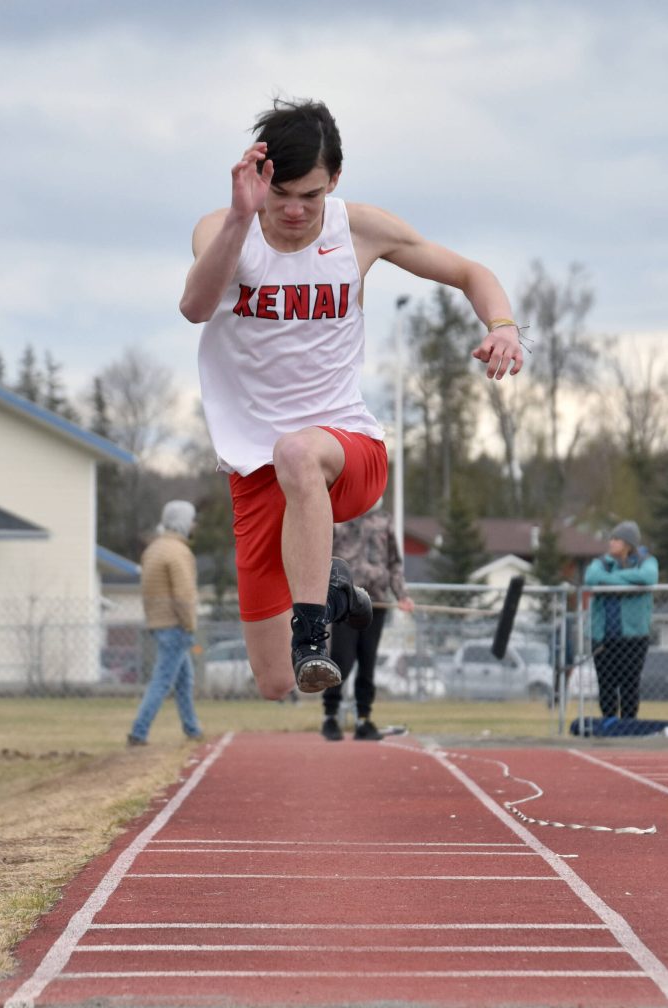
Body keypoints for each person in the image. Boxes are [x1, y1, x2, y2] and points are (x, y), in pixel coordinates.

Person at [180, 97, 523, 700]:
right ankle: (332, 589)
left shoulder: (359, 230)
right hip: (256, 470)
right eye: (280, 193)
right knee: (274, 683)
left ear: (334, 181)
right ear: (259, 179)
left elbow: (471, 273)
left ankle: (314, 630)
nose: (293, 209)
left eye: (309, 196)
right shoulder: (222, 229)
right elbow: (196, 308)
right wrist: (240, 218)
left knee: (298, 452)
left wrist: (503, 326)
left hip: (347, 448)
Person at [321, 500, 415, 741]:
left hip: (377, 603)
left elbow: (394, 562)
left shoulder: (384, 522)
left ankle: (364, 719)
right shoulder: (338, 518)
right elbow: (322, 556)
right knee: (341, 660)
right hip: (347, 602)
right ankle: (330, 717)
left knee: (368, 662)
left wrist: (401, 595)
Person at [127, 501, 203, 745]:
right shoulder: (178, 552)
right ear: (182, 521)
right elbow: (184, 595)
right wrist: (190, 624)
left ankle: (192, 729)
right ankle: (138, 732)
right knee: (162, 681)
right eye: (192, 519)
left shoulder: (154, 549)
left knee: (184, 680)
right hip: (176, 625)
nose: (194, 524)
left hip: (158, 623)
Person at [584, 520, 658, 719]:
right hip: (604, 637)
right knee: (606, 684)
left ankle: (628, 725)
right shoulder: (601, 562)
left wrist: (609, 580)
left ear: (627, 543)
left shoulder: (646, 561)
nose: (611, 543)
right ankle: (609, 724)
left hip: (634, 637)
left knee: (630, 683)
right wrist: (628, 581)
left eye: (616, 539)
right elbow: (591, 577)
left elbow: (648, 577)